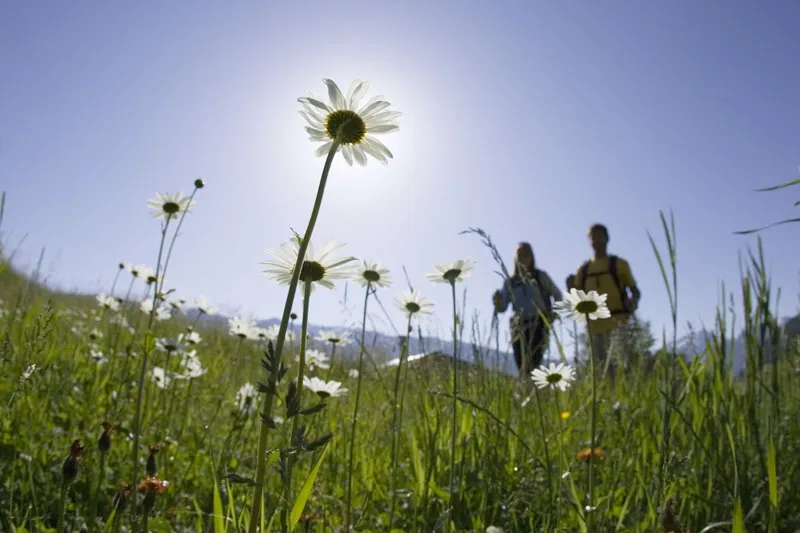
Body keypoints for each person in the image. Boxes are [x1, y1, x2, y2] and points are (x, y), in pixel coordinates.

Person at [567, 223, 641, 374]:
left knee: (622, 368)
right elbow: (576, 298)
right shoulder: (583, 269)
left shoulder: (619, 264)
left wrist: (633, 301)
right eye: (593, 238)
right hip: (594, 327)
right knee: (601, 371)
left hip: (618, 322)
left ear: (607, 239)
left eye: (599, 236)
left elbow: (634, 290)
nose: (596, 241)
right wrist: (570, 288)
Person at [492, 242, 563, 377]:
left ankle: (535, 392)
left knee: (534, 363)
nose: (523, 258)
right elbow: (502, 308)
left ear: (532, 257)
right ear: (515, 258)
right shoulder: (510, 282)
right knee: (522, 365)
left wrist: (553, 313)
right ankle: (527, 391)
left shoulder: (540, 276)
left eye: (526, 254)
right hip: (518, 326)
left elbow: (557, 295)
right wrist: (497, 302)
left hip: (539, 324)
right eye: (520, 254)